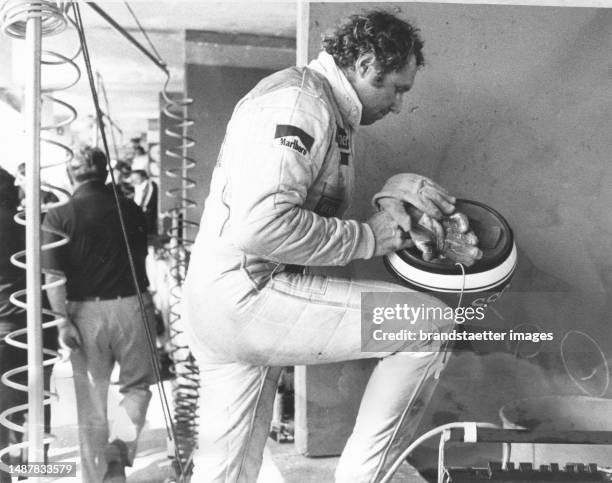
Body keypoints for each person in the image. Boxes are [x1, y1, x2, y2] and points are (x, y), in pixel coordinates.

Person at [182, 10, 479, 483]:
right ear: (365, 64)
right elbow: (264, 225)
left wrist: (390, 207)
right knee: (428, 321)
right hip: (250, 295)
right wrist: (368, 237)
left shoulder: (318, 103)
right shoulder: (301, 104)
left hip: (217, 300)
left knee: (224, 471)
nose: (399, 105)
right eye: (397, 89)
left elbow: (294, 212)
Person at [42, 147, 157, 483]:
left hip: (84, 314)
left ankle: (98, 477)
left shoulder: (58, 216)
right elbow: (144, 248)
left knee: (92, 400)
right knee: (136, 388)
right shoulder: (131, 209)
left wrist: (62, 320)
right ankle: (120, 448)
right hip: (133, 307)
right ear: (106, 174)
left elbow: (53, 278)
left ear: (70, 176)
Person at [0, 167, 57, 482]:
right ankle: (34, 463)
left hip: (5, 325)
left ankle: (5, 469)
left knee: (4, 399)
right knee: (36, 393)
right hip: (37, 324)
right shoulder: (32, 225)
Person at [130, 169, 158, 236]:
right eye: (133, 179)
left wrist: (140, 209)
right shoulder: (138, 185)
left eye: (137, 178)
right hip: (138, 211)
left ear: (144, 177)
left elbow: (148, 199)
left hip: (146, 212)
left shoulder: (150, 185)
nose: (134, 181)